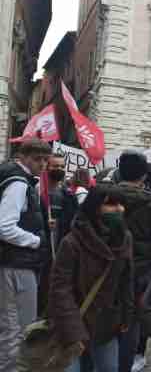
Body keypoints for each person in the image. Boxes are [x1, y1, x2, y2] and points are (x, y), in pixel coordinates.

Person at [47, 186, 134, 372]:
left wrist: (126, 314)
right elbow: (60, 289)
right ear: (94, 208)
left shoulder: (125, 238)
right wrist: (73, 329)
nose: (119, 209)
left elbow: (125, 280)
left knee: (109, 368)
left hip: (106, 324)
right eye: (111, 204)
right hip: (72, 321)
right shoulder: (72, 242)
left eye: (121, 204)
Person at [0, 139, 52, 372]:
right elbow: (5, 226)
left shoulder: (14, 177)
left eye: (45, 159)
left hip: (13, 262)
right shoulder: (19, 182)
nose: (42, 164)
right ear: (23, 157)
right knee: (17, 328)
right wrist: (36, 241)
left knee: (13, 326)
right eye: (37, 159)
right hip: (17, 263)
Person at [116, 151, 151, 372]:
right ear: (144, 176)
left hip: (105, 270)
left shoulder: (101, 196)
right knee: (132, 325)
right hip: (140, 273)